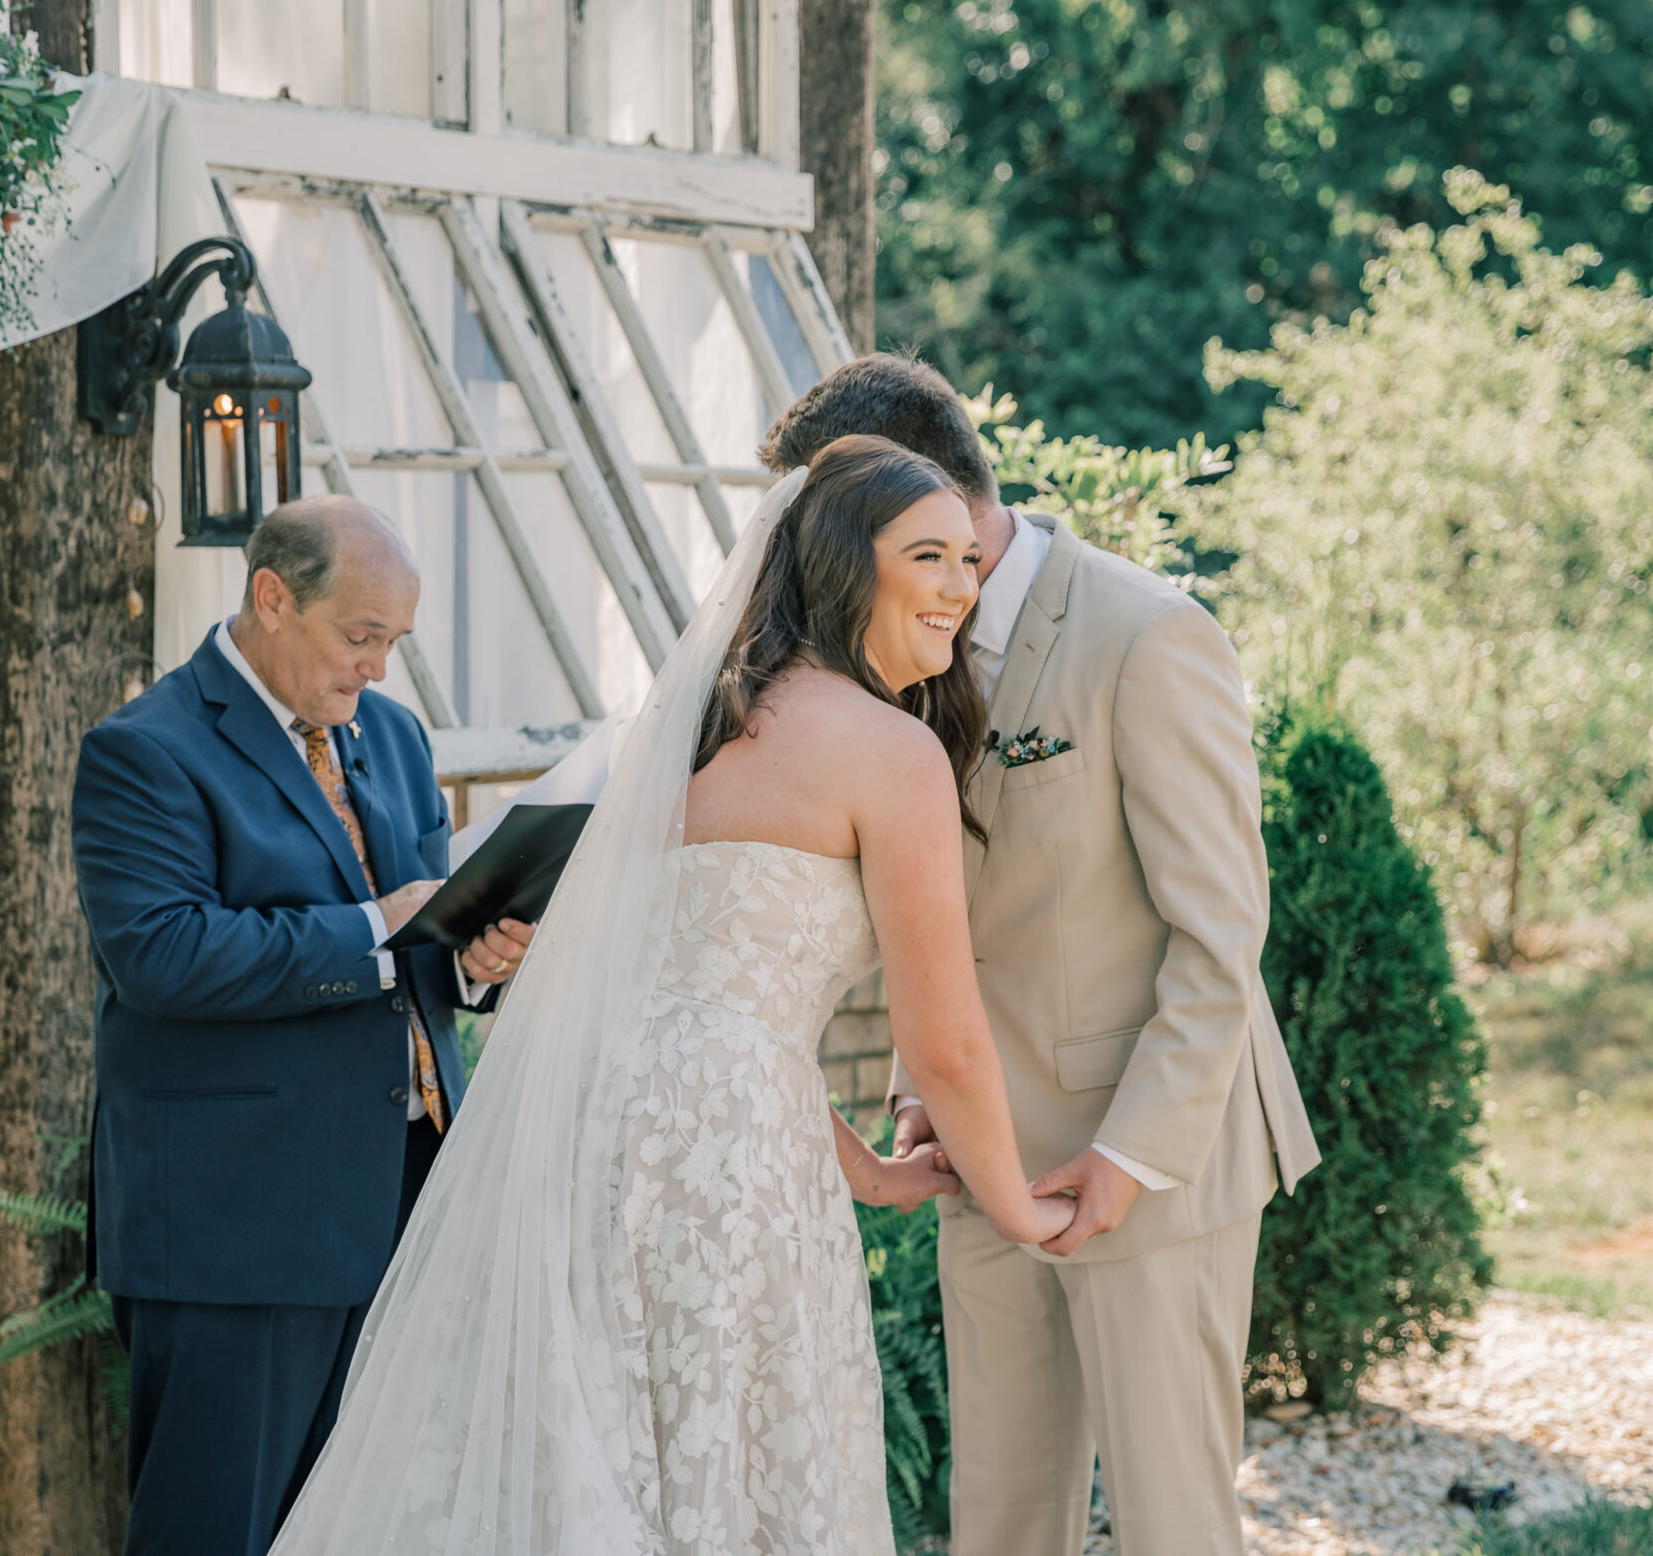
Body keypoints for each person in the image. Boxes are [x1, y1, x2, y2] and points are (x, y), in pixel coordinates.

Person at [268, 436, 1073, 1555]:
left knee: (589, 1459)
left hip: (594, 1127)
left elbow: (705, 1004)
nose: (959, 585)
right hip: (730, 1166)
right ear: (849, 566)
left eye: (966, 562)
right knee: (725, 1472)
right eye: (927, 556)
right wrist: (1023, 1206)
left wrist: (868, 1168)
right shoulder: (891, 753)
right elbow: (944, 1047)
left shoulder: (684, 727)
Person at [764, 355, 1322, 1556]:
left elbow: (1220, 937)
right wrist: (924, 1098)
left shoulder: (1150, 633)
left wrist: (1127, 1158)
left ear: (930, 499)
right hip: (981, 1159)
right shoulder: (882, 654)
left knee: (1175, 1527)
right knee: (1002, 1526)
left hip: (1153, 1159)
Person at [71, 498, 535, 1556]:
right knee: (215, 1531)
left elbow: (420, 943)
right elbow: (163, 956)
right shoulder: (145, 751)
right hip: (238, 1227)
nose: (376, 669)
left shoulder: (398, 739)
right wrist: (381, 924)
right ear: (272, 599)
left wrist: (472, 960)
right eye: (359, 636)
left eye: (393, 643)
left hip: (407, 1202)